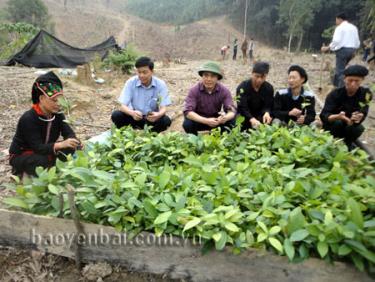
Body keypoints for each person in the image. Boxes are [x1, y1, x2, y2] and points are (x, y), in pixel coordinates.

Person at [9, 71, 81, 176]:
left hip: (47, 151)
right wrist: (60, 144)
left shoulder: (58, 115)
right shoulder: (28, 118)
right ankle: (20, 171)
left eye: (60, 101)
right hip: (24, 153)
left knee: (71, 148)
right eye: (54, 100)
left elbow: (68, 132)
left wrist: (74, 141)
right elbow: (37, 147)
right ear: (41, 99)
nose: (58, 104)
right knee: (41, 161)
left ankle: (51, 167)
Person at [111, 57, 172, 133]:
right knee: (116, 115)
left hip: (151, 119)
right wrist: (132, 113)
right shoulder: (131, 82)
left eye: (144, 72)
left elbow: (164, 108)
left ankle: (151, 135)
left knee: (166, 121)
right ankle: (127, 133)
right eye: (139, 72)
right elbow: (122, 106)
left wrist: (158, 114)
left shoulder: (160, 84)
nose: (141, 75)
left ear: (152, 71)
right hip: (134, 118)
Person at [320, 65, 373, 149]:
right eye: (350, 80)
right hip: (333, 126)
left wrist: (358, 117)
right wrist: (338, 117)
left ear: (362, 80)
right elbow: (324, 115)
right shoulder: (335, 94)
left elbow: (363, 111)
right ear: (344, 79)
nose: (353, 84)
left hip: (349, 126)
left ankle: (347, 142)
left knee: (358, 128)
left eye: (357, 81)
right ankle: (331, 141)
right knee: (338, 123)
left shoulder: (366, 94)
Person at [183, 61, 236, 135]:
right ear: (202, 76)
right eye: (206, 75)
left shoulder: (224, 91)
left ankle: (216, 138)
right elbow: (188, 112)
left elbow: (231, 110)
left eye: (213, 76)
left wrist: (224, 118)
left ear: (217, 78)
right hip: (199, 120)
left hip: (215, 121)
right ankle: (194, 140)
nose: (209, 79)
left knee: (232, 121)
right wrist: (206, 120)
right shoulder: (194, 90)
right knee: (187, 123)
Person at [321, 13, 360, 88]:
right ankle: (335, 84)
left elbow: (336, 41)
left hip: (342, 51)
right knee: (340, 68)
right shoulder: (354, 28)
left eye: (336, 20)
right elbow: (357, 42)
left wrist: (327, 48)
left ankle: (340, 89)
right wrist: (354, 50)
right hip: (351, 51)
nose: (336, 22)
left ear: (340, 19)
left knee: (340, 71)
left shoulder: (340, 28)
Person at [236, 62, 274, 130]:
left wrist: (267, 112)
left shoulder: (269, 88)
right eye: (257, 76)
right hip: (245, 117)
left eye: (262, 77)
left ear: (266, 76)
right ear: (252, 74)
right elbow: (242, 107)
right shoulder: (242, 87)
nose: (259, 80)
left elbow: (268, 105)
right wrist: (251, 119)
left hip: (260, 117)